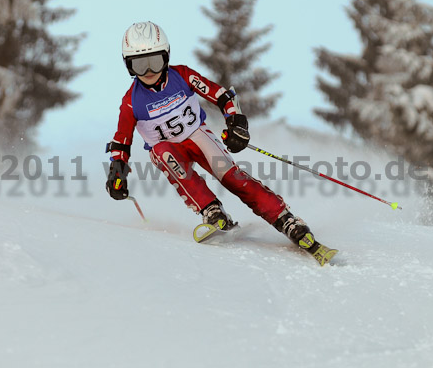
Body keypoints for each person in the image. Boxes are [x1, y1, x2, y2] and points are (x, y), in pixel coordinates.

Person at [105, 21, 330, 261]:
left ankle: (284, 218)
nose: (149, 71)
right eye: (139, 65)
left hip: (197, 136)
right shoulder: (131, 102)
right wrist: (117, 171)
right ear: (128, 66)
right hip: (169, 151)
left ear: (166, 56)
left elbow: (220, 95)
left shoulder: (182, 76)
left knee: (232, 176)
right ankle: (211, 209)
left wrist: (236, 122)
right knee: (162, 152)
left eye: (155, 61)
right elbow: (121, 142)